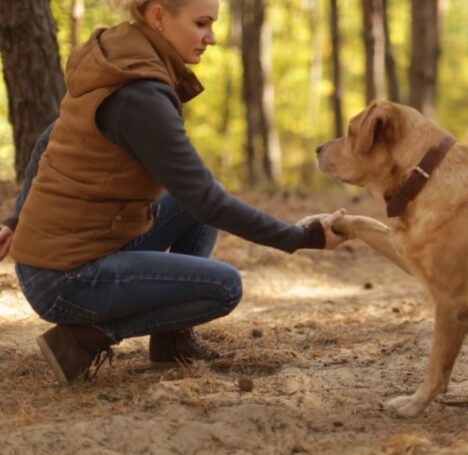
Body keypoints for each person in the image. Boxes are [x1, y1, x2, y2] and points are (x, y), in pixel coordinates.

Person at [0, 0, 347, 385]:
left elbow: (49, 140)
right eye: (201, 24)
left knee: (187, 203)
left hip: (78, 252)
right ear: (159, 16)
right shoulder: (140, 94)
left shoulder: (116, 56)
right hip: (66, 279)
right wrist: (301, 237)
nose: (211, 38)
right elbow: (208, 201)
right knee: (223, 287)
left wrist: (15, 219)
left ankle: (171, 342)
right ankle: (86, 337)